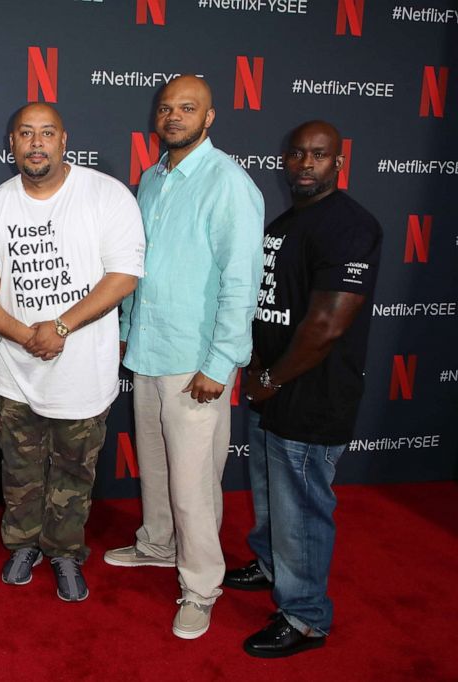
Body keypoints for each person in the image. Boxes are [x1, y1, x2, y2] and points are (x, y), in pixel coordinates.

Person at [0, 103, 145, 602]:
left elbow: (124, 275)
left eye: (47, 133)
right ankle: (22, 545)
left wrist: (61, 325)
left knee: (73, 472)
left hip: (83, 374)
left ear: (64, 140)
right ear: (12, 143)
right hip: (16, 374)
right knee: (19, 473)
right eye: (26, 133)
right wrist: (26, 335)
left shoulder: (106, 195)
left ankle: (65, 552)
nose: (36, 143)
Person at [105, 75, 264, 639]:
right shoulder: (151, 179)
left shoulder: (229, 184)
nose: (174, 117)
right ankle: (157, 545)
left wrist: (220, 364)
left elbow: (242, 283)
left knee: (194, 484)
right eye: (167, 108)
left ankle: (200, 586)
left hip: (196, 363)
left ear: (210, 116)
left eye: (187, 108)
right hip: (149, 351)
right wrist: (127, 330)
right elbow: (141, 266)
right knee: (157, 466)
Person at [226, 121, 382, 658]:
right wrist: (262, 372)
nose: (306, 163)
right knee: (272, 497)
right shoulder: (287, 221)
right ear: (285, 161)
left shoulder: (350, 225)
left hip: (313, 394)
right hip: (274, 389)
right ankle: (271, 562)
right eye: (297, 154)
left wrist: (270, 379)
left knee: (302, 508)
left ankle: (306, 615)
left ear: (338, 162)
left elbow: (327, 324)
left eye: (319, 155)